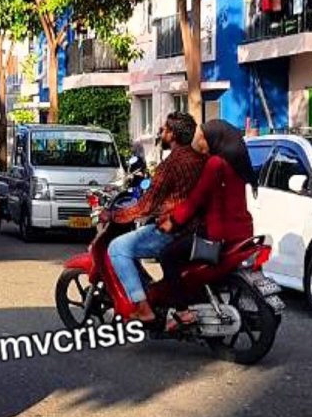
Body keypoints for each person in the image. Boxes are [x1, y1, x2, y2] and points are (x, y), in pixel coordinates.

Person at [102, 112, 207, 324]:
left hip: (173, 230)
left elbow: (146, 205)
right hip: (198, 228)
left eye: (165, 129)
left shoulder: (170, 165)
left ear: (173, 135)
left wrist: (113, 215)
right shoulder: (202, 160)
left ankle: (142, 307)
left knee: (117, 248)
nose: (162, 133)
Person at [158, 120, 257, 325]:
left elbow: (196, 199)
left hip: (219, 236)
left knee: (167, 255)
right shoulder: (239, 164)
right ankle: (200, 299)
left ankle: (182, 311)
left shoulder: (215, 164)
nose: (201, 144)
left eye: (203, 139)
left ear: (216, 139)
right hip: (243, 233)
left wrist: (173, 221)